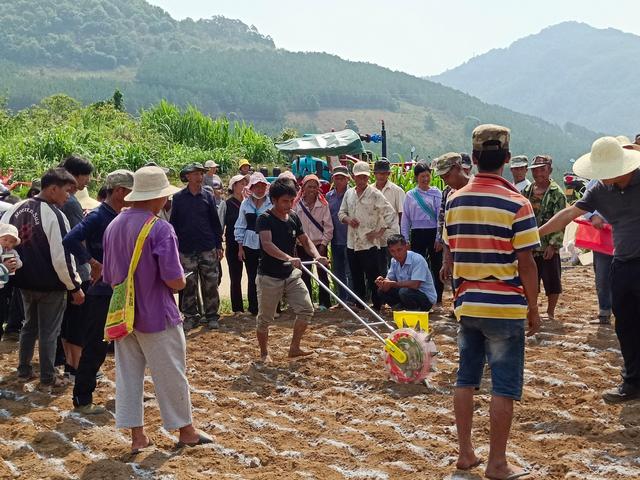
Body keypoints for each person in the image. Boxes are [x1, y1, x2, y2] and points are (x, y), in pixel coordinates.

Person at [441, 124, 540, 480]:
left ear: (475, 159)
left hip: (468, 303)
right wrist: (533, 307)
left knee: (465, 379)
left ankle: (466, 453)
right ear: (508, 159)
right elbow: (526, 263)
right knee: (503, 385)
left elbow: (451, 253)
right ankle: (497, 463)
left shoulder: (454, 201)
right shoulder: (518, 203)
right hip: (504, 306)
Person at [102, 166, 211, 453]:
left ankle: (138, 436)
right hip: (157, 313)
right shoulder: (160, 228)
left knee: (128, 375)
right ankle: (186, 431)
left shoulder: (113, 225)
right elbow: (174, 281)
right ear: (158, 198)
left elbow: (109, 274)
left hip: (123, 315)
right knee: (171, 373)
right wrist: (179, 282)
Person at [539, 136, 640, 404]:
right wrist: (536, 233)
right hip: (622, 264)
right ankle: (632, 382)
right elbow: (569, 213)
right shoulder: (599, 190)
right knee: (625, 325)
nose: (602, 177)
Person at [2, 168, 84, 388]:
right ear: (53, 189)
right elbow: (61, 257)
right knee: (49, 330)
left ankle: (24, 369)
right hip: (50, 284)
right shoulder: (55, 215)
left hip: (22, 281)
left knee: (29, 325)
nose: (68, 196)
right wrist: (74, 286)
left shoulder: (15, 209)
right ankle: (48, 376)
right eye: (67, 191)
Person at [62, 170, 133, 414]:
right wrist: (93, 263)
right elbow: (70, 239)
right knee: (96, 345)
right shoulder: (99, 216)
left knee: (128, 343)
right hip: (102, 291)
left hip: (122, 289)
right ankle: (82, 398)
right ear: (120, 192)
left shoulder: (122, 216)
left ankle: (128, 391)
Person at [256, 178, 329, 362]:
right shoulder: (264, 219)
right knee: (265, 319)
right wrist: (288, 257)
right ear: (274, 200)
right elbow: (267, 244)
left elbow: (305, 240)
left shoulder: (294, 217)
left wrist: (316, 256)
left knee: (306, 309)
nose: (289, 205)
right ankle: (264, 353)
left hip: (290, 275)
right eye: (284, 201)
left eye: (291, 200)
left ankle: (294, 348)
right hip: (269, 276)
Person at [170, 163, 224, 331]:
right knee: (188, 285)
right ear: (187, 177)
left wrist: (218, 245)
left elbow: (215, 223)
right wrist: (175, 249)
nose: (199, 177)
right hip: (186, 249)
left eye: (201, 174)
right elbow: (174, 225)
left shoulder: (208, 196)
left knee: (210, 283)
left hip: (207, 247)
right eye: (195, 174)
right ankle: (191, 316)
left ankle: (212, 316)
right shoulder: (178, 198)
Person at [338, 161, 396, 311]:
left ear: (368, 177)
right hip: (352, 243)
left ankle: (377, 306)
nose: (362, 180)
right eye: (359, 177)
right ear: (353, 177)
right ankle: (360, 305)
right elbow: (341, 213)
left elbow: (390, 213)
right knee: (356, 276)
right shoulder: (349, 193)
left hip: (369, 243)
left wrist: (379, 232)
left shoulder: (375, 194)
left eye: (365, 177)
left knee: (374, 277)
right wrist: (348, 219)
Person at [59, 155, 94, 377]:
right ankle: (77, 366)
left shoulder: (53, 198)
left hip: (60, 268)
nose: (88, 181)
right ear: (74, 175)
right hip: (76, 270)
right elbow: (77, 238)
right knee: (79, 321)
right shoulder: (70, 201)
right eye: (86, 176)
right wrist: (90, 262)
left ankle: (67, 363)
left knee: (66, 320)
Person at [522, 155, 567, 321]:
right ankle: (530, 307)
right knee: (530, 278)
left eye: (542, 169)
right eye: (535, 170)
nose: (538, 173)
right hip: (529, 245)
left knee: (552, 280)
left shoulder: (557, 193)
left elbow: (561, 220)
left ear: (550, 170)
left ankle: (550, 312)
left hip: (547, 245)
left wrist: (554, 245)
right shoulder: (526, 191)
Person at [401, 162, 444, 304]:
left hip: (433, 233)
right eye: (422, 176)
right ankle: (420, 294)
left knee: (437, 264)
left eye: (427, 176)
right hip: (417, 233)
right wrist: (406, 240)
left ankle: (438, 296)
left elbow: (440, 217)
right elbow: (405, 219)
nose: (425, 179)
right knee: (418, 264)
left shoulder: (437, 193)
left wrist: (439, 238)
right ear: (416, 177)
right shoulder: (410, 195)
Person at [293, 174, 333, 311]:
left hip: (319, 245)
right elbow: (292, 225)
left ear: (318, 188)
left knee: (323, 275)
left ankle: (325, 303)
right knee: (304, 275)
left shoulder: (323, 205)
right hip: (301, 245)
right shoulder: (296, 205)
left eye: (315, 187)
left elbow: (328, 227)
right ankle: (307, 303)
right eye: (309, 186)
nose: (312, 189)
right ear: (303, 188)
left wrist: (323, 245)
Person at [234, 172, 272, 315]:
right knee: (252, 276)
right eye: (257, 186)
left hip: (267, 243)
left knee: (268, 275)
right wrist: (240, 247)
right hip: (249, 244)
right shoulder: (245, 203)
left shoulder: (270, 203)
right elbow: (240, 225)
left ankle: (271, 308)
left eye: (262, 186)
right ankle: (253, 307)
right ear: (252, 187)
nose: (260, 189)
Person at [375, 234, 436, 311]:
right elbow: (389, 279)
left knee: (404, 291)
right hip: (405, 294)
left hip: (425, 298)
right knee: (381, 290)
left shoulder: (417, 259)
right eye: (392, 251)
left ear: (406, 247)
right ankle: (400, 308)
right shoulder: (394, 261)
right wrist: (383, 282)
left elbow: (415, 285)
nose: (396, 254)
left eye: (399, 250)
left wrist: (392, 284)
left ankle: (416, 310)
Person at [582, 178, 613, 325]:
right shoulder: (596, 182)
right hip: (603, 239)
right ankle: (605, 312)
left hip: (630, 238)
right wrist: (593, 215)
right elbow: (584, 204)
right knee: (602, 276)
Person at [218, 175, 249, 313]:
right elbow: (220, 225)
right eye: (241, 183)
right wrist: (219, 245)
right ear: (234, 186)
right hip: (232, 244)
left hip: (249, 245)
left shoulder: (249, 203)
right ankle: (237, 309)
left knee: (253, 276)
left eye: (245, 183)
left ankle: (254, 306)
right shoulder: (227, 204)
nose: (244, 185)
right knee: (235, 277)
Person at [434, 152, 472, 252]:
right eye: (442, 179)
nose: (445, 181)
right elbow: (443, 220)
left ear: (457, 167)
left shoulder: (477, 188)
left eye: (447, 176)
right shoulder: (449, 194)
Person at [372, 159, 405, 271]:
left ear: (388, 174)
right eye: (379, 173)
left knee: (395, 267)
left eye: (384, 173)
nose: (381, 176)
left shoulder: (397, 190)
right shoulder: (370, 190)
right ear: (374, 174)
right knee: (379, 268)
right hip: (376, 237)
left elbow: (401, 214)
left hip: (392, 236)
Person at [326, 166, 352, 305]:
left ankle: (352, 299)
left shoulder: (353, 194)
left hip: (351, 239)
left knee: (350, 271)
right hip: (335, 240)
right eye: (337, 178)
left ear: (348, 179)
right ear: (333, 179)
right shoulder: (329, 197)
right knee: (338, 271)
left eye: (342, 178)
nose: (339, 180)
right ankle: (341, 300)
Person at [0, 224, 23, 341]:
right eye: (5, 239)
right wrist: (4, 267)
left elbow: (19, 264)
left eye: (11, 241)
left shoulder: (12, 252)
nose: (7, 243)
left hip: (3, 287)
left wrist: (15, 262)